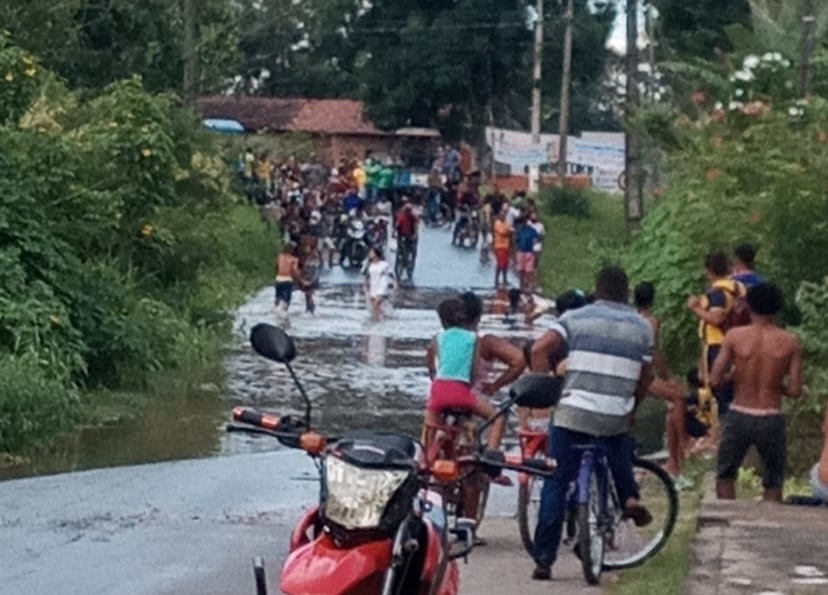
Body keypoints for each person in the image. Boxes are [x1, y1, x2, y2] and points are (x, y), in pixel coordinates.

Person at [530, 266, 653, 581]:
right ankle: (629, 497)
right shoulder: (643, 327)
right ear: (626, 293)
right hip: (614, 416)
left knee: (556, 481)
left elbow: (538, 349)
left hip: (572, 412)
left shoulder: (574, 318)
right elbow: (645, 378)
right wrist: (632, 406)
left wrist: (549, 389)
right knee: (618, 444)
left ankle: (544, 560)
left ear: (597, 291)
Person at [709, 282, 802, 503]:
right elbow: (795, 390)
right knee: (773, 480)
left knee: (725, 475)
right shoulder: (790, 342)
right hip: (770, 416)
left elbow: (715, 379)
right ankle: (769, 521)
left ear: (748, 306)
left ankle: (728, 519)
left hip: (739, 413)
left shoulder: (734, 336)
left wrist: (736, 375)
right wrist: (774, 382)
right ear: (778, 309)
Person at [423, 297, 507, 453]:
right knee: (497, 418)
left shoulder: (437, 338)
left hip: (438, 390)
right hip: (461, 392)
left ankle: (423, 459)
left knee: (429, 429)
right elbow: (473, 370)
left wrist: (434, 378)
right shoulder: (473, 338)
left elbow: (433, 366)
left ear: (442, 320)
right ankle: (491, 456)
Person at [686, 251, 747, 440]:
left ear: (708, 271)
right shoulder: (737, 288)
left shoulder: (718, 293)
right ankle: (717, 434)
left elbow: (716, 318)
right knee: (716, 389)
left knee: (718, 390)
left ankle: (720, 436)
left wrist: (695, 308)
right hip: (729, 343)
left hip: (717, 345)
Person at [634, 282, 689, 485]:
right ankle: (684, 443)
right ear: (652, 299)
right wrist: (668, 376)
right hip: (642, 374)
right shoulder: (651, 321)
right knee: (678, 397)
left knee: (671, 405)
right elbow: (654, 352)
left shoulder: (631, 319)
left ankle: (674, 459)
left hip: (631, 370)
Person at [363, 246, 397, 321]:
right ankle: (381, 317)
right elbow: (367, 276)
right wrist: (365, 286)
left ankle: (383, 318)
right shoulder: (369, 265)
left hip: (382, 286)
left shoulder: (384, 264)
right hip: (373, 287)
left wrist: (395, 283)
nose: (369, 254)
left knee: (376, 304)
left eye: (371, 252)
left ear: (376, 253)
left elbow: (391, 274)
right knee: (374, 306)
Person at [514, 217, 540, 293]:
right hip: (520, 252)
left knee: (529, 271)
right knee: (521, 271)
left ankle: (530, 286)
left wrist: (534, 243)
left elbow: (538, 238)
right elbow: (516, 240)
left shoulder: (532, 230)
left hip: (529, 252)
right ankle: (521, 286)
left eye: (523, 222)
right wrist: (517, 250)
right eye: (521, 223)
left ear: (526, 222)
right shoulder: (519, 231)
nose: (522, 224)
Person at [274, 242, 302, 312]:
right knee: (286, 301)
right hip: (287, 280)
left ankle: (276, 311)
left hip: (278, 279)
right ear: (292, 250)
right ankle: (284, 313)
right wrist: (300, 280)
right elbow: (295, 270)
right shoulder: (294, 259)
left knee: (278, 298)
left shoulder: (280, 256)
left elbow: (276, 266)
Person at [492, 210, 512, 287]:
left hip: (506, 246)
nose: (503, 216)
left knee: (506, 264)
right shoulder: (497, 223)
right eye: (501, 215)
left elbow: (510, 230)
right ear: (499, 216)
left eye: (504, 215)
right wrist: (509, 232)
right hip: (499, 246)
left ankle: (505, 280)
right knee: (500, 264)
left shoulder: (506, 223)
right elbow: (502, 233)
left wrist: (509, 231)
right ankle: (496, 280)